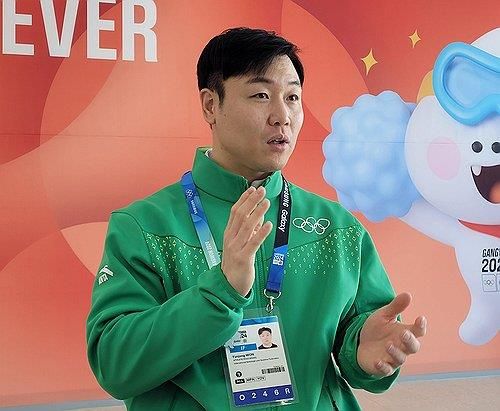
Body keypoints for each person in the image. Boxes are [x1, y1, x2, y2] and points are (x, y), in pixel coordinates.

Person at [86, 27, 427, 411]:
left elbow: (357, 340)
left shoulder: (338, 228)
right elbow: (115, 363)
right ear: (210, 106)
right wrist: (219, 293)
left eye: (292, 97)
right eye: (261, 95)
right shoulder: (144, 227)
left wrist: (363, 351)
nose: (282, 117)